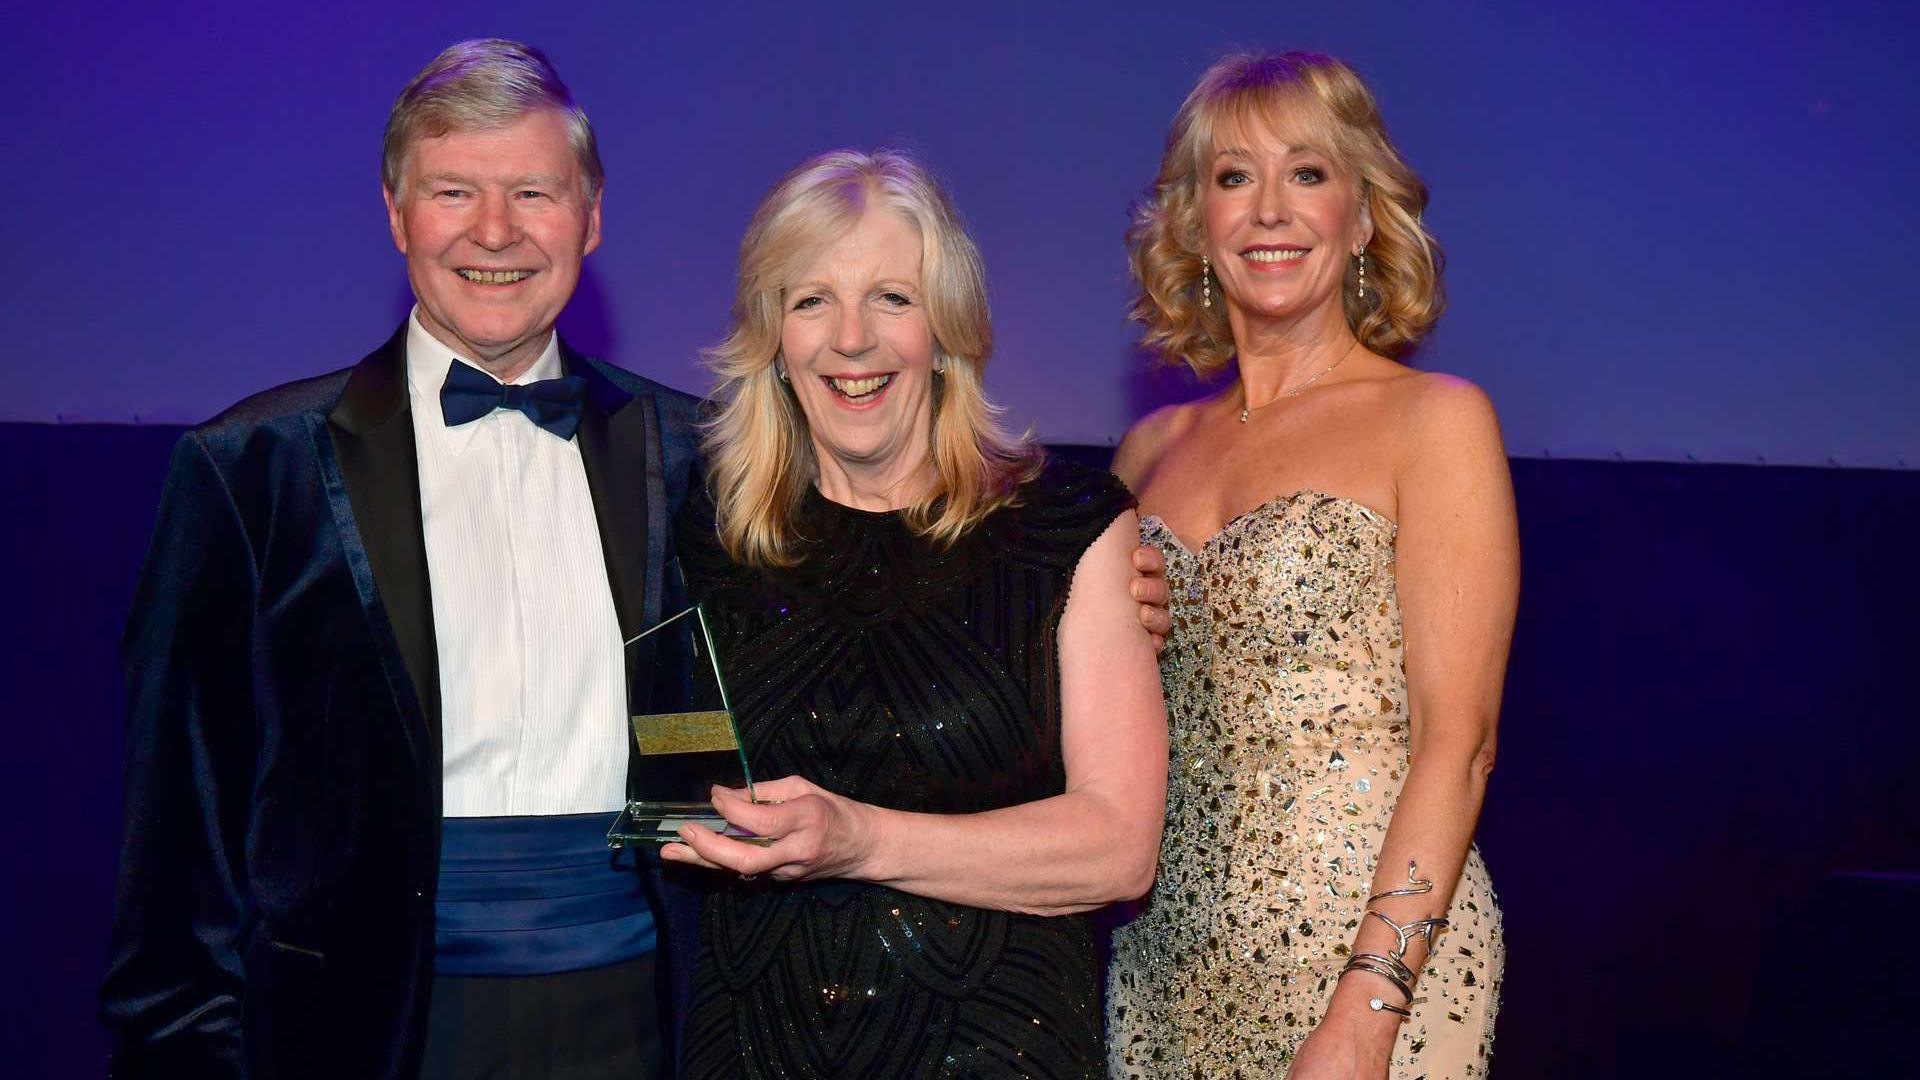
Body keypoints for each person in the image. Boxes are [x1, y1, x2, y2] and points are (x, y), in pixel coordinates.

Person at [98, 40, 704, 1078]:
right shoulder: (251, 470)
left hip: (646, 1011)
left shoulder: (698, 454)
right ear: (395, 214)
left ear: (593, 217)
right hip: (366, 1027)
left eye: (533, 192)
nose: (495, 231)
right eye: (453, 191)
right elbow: (177, 835)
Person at [657, 149, 1170, 1079]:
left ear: (948, 329)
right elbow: (670, 779)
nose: (852, 339)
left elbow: (1120, 849)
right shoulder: (709, 534)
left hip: (997, 1050)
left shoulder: (1069, 529)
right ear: (772, 335)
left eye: (892, 298)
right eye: (811, 300)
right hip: (751, 1047)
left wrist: (860, 841)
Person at [1105, 52, 1512, 1079]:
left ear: (1365, 215)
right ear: (1196, 222)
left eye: (1309, 174)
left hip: (1372, 960)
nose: (1270, 211)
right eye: (1234, 178)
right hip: (1161, 964)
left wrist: (1367, 1011)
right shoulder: (1147, 455)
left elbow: (1457, 746)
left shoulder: (1435, 422)